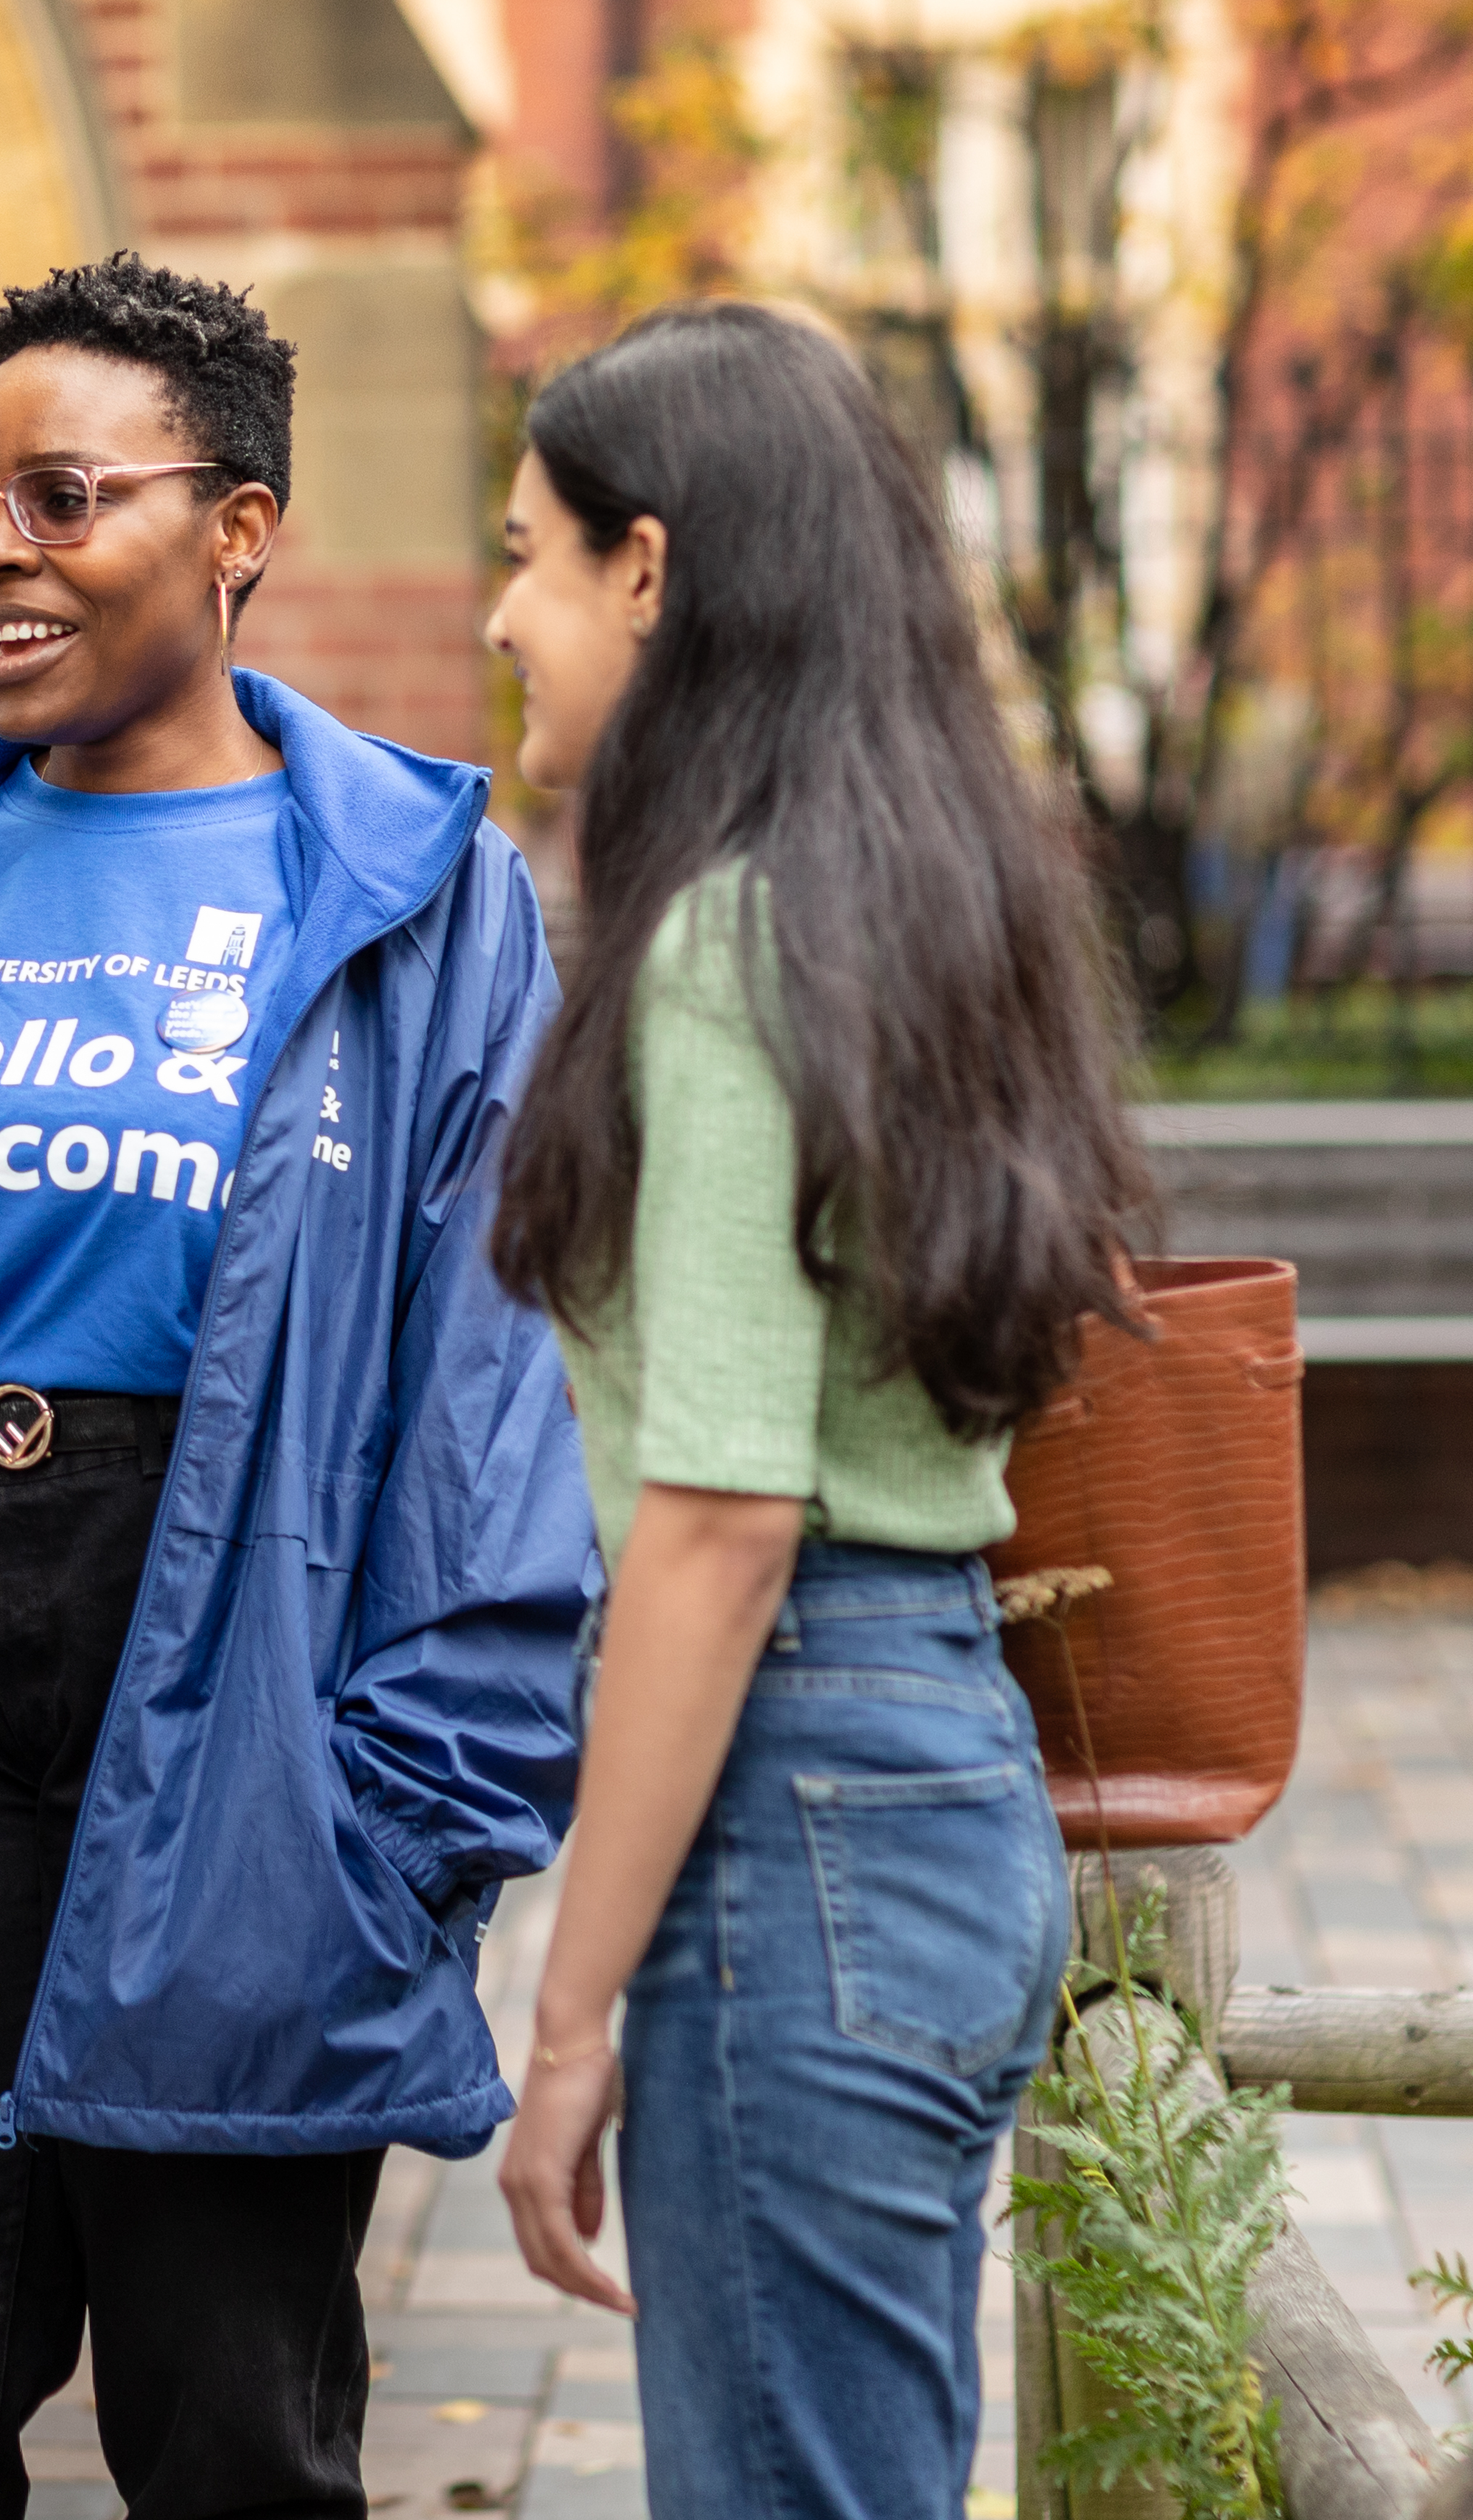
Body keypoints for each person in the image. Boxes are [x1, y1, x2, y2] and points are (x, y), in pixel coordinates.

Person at [0, 251, 599, 2520]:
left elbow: (484, 1380)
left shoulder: (416, 892)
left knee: (233, 2433)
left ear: (239, 528)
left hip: (234, 1680)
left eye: (60, 496)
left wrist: (405, 1819)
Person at [477, 301, 1151, 2518]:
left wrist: (564, 2013)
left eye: (529, 559)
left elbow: (720, 1522)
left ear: (651, 573)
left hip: (793, 1808)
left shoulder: (718, 948)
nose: (503, 619)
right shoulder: (939, 909)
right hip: (943, 1790)